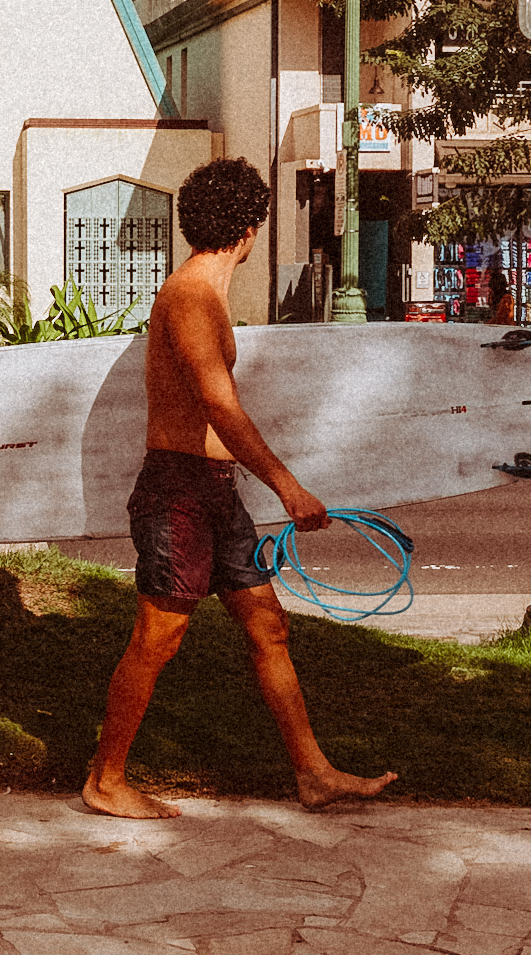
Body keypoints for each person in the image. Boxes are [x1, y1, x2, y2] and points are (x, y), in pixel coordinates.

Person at [82, 159, 398, 819]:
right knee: (158, 637)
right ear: (250, 229)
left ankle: (312, 772)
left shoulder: (203, 294)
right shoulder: (191, 297)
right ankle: (105, 778)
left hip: (214, 491)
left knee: (268, 625)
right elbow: (220, 408)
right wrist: (288, 487)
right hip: (178, 491)